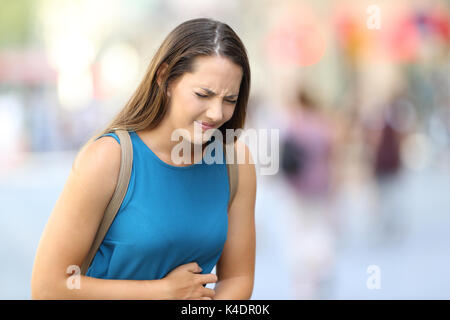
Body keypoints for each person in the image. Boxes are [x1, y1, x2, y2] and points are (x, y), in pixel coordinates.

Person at [31, 18, 257, 300]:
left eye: (230, 100)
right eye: (203, 94)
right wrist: (161, 292)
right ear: (165, 78)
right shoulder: (108, 158)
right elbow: (49, 286)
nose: (216, 113)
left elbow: (238, 276)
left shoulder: (235, 162)